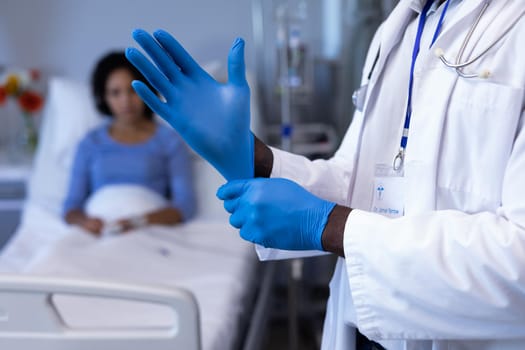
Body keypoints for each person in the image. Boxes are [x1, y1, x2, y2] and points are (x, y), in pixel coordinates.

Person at [126, 0, 525, 349]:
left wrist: (328, 226)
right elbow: (359, 178)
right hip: (363, 329)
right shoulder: (399, 28)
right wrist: (254, 157)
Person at [63, 52, 196, 236]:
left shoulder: (169, 141)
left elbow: (185, 205)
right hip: (99, 234)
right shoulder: (90, 143)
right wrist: (85, 222)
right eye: (115, 93)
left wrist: (138, 222)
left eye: (133, 90)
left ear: (147, 90)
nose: (126, 101)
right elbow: (71, 207)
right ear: (104, 97)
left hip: (150, 231)